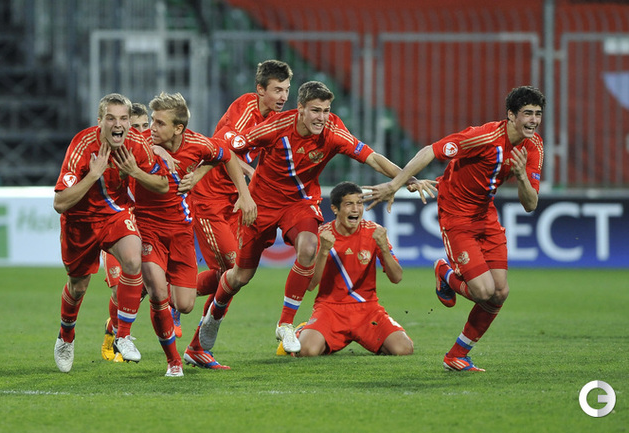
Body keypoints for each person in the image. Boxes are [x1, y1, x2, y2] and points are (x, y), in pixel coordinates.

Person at [197, 80, 436, 359]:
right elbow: (224, 149)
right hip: (262, 204)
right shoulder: (275, 126)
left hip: (300, 203)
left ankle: (286, 324)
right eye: (315, 110)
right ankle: (215, 314)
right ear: (300, 109)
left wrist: (407, 179)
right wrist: (236, 189)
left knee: (309, 247)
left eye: (326, 110)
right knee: (241, 275)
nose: (321, 117)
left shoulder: (334, 131)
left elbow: (372, 158)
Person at [362, 85, 545, 372]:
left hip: (485, 214)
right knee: (483, 292)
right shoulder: (483, 137)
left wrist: (522, 177)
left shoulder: (534, 146)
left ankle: (457, 355)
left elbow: (530, 204)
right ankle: (444, 272)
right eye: (527, 113)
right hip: (456, 213)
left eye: (538, 114)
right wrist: (395, 185)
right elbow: (431, 151)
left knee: (500, 292)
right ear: (511, 115)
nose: (533, 120)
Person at [178, 60, 293, 367]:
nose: (283, 96)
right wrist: (249, 187)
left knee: (228, 277)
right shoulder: (245, 112)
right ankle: (191, 334)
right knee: (234, 270)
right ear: (260, 90)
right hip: (210, 199)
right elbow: (222, 150)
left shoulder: (274, 119)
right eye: (277, 90)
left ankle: (172, 296)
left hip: (234, 201)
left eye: (286, 90)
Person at [135, 91, 256, 376]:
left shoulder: (198, 144)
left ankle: (150, 290)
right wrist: (157, 151)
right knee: (229, 271)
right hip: (149, 227)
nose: (152, 128)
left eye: (159, 123)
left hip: (181, 230)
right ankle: (175, 359)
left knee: (186, 303)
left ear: (178, 128)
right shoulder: (141, 142)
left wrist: (242, 192)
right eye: (152, 121)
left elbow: (226, 155)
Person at [53, 93, 169, 373]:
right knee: (78, 286)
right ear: (100, 121)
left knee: (132, 259)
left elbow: (163, 184)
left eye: (123, 118)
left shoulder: (136, 144)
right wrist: (93, 175)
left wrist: (137, 172)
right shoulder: (82, 145)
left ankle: (123, 336)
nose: (118, 124)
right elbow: (60, 203)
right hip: (80, 222)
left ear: (129, 121)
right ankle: (66, 335)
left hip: (115, 214)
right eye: (111, 118)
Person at [281, 181, 413, 357]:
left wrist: (383, 248)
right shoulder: (321, 235)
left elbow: (397, 277)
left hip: (368, 309)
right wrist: (323, 251)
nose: (356, 209)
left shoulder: (374, 232)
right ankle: (301, 332)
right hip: (330, 309)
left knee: (404, 349)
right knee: (307, 351)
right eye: (349, 204)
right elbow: (311, 285)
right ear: (335, 209)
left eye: (359, 203)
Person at [101, 102, 151, 363]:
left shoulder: (152, 156)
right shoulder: (115, 154)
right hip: (117, 226)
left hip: (145, 229)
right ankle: (114, 335)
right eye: (137, 126)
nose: (142, 131)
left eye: (146, 126)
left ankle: (118, 331)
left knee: (142, 288)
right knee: (117, 291)